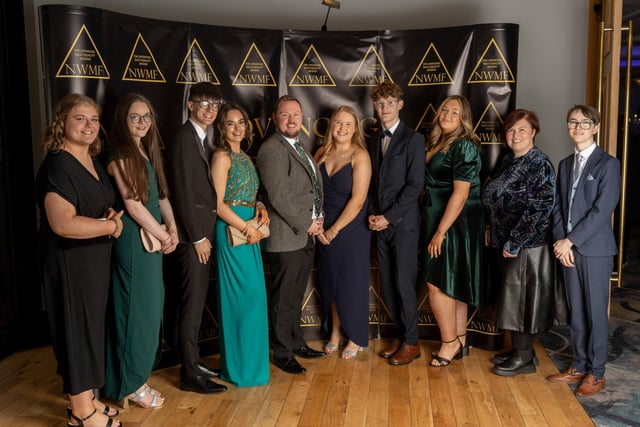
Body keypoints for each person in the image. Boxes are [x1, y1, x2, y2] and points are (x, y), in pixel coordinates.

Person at [36, 93, 123, 427]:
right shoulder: (58, 164)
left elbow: (99, 203)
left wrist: (109, 215)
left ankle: (89, 399)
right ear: (62, 122)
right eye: (80, 119)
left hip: (93, 260)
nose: (89, 126)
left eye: (94, 119)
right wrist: (111, 225)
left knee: (89, 329)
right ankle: (81, 413)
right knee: (74, 329)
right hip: (69, 262)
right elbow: (63, 223)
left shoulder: (92, 159)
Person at [104, 93, 179, 407]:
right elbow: (133, 206)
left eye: (147, 116)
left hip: (152, 237)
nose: (142, 122)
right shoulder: (120, 153)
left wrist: (173, 228)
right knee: (135, 313)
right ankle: (129, 385)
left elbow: (160, 197)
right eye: (135, 116)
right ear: (123, 119)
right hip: (135, 241)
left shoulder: (145, 151)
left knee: (148, 312)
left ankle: (136, 378)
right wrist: (162, 234)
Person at [548, 105, 620, 396]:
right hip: (567, 250)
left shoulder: (608, 164)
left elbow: (603, 210)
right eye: (572, 122)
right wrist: (559, 242)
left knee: (595, 313)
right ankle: (578, 364)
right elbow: (556, 207)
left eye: (585, 123)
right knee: (576, 311)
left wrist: (571, 240)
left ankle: (597, 372)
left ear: (596, 127)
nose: (578, 127)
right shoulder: (565, 164)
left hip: (595, 250)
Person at [482, 109, 559, 376]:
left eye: (522, 129)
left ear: (534, 132)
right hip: (506, 242)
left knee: (523, 301)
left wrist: (515, 240)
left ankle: (524, 357)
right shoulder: (508, 161)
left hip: (528, 246)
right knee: (512, 300)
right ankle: (521, 352)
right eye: (511, 130)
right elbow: (493, 197)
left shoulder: (539, 163)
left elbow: (540, 208)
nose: (516, 135)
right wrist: (492, 225)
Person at [256, 95, 326, 374]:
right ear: (275, 118)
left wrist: (318, 218)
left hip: (304, 234)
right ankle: (282, 351)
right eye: (285, 115)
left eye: (296, 114)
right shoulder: (272, 149)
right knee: (283, 298)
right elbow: (279, 197)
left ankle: (296, 341)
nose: (291, 119)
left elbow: (313, 191)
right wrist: (307, 223)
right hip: (286, 237)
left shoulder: (299, 148)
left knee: (296, 294)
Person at [164, 82, 227, 394]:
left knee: (196, 301)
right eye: (203, 102)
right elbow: (183, 192)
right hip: (193, 239)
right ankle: (189, 373)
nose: (210, 109)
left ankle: (193, 360)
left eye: (214, 104)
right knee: (191, 304)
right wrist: (199, 236)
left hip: (201, 234)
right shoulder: (183, 138)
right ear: (190, 105)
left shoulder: (201, 138)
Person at [210, 103, 270, 386]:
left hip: (250, 230)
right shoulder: (221, 157)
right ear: (221, 128)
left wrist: (259, 207)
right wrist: (247, 227)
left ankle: (252, 368)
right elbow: (217, 203)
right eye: (231, 123)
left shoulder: (245, 156)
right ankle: (239, 370)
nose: (237, 128)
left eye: (241, 123)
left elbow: (246, 193)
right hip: (234, 231)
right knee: (240, 302)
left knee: (254, 300)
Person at [423, 95, 483, 368]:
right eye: (444, 109)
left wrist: (441, 231)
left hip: (453, 221)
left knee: (436, 282)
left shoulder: (464, 146)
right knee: (452, 280)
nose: (447, 114)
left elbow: (460, 194)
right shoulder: (437, 142)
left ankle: (448, 342)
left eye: (455, 112)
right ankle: (460, 337)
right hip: (435, 216)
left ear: (463, 119)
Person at [368, 81, 425, 366]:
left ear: (400, 105)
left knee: (404, 285)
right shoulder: (373, 139)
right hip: (379, 225)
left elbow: (415, 186)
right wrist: (374, 215)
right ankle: (402, 337)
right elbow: (372, 184)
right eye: (380, 103)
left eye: (390, 102)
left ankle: (412, 343)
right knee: (388, 286)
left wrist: (389, 217)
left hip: (402, 225)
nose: (385, 108)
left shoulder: (412, 139)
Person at [315, 105, 372, 359]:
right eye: (338, 122)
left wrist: (334, 229)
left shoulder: (360, 156)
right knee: (332, 283)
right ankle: (336, 331)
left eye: (348, 124)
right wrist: (318, 226)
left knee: (352, 284)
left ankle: (356, 336)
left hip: (350, 229)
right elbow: (313, 194)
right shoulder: (320, 153)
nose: (342, 128)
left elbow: (358, 200)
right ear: (331, 126)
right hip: (323, 229)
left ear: (355, 129)